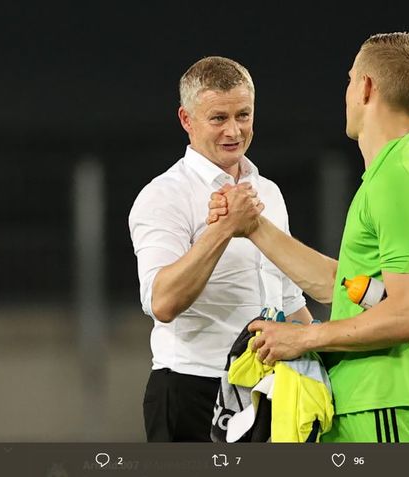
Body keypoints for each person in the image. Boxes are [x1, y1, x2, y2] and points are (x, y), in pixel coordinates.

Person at [207, 32, 409, 442]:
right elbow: (345, 287)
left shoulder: (396, 181)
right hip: (370, 402)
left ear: (367, 88)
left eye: (350, 80)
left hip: (384, 404)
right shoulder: (398, 173)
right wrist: (252, 227)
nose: (347, 92)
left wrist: (305, 337)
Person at [128, 56, 312, 442]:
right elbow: (162, 301)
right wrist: (226, 228)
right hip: (193, 389)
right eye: (218, 118)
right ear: (186, 120)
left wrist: (320, 366)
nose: (234, 130)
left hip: (268, 390)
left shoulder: (269, 193)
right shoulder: (164, 196)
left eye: (243, 115)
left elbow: (290, 299)